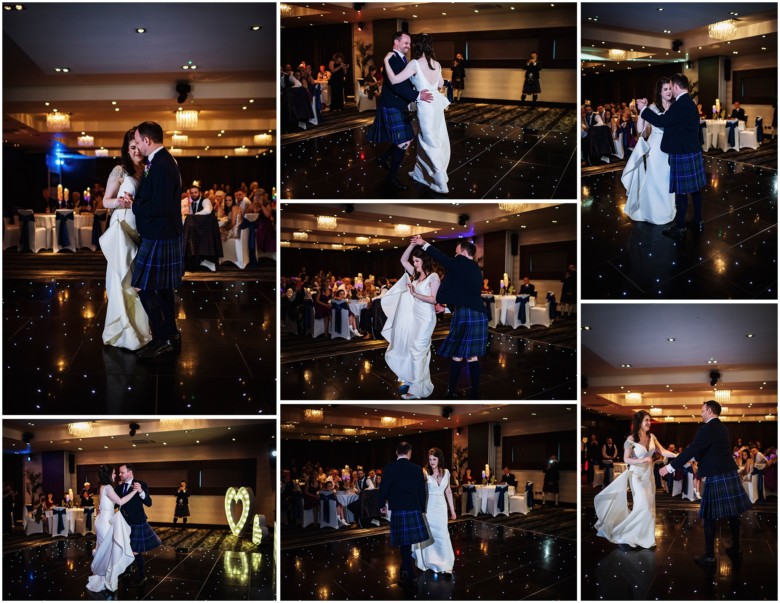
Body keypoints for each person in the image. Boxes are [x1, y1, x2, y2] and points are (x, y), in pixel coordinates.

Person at [659, 401, 752, 566]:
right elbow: (709, 451)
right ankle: (736, 548)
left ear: (709, 411)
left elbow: (691, 450)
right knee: (733, 513)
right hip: (729, 473)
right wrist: (698, 467)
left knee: (709, 516)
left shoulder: (706, 428)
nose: (701, 414)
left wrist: (670, 467)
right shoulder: (723, 428)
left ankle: (709, 557)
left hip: (716, 475)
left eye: (702, 411)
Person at [130, 121, 184, 361]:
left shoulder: (161, 164)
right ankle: (170, 335)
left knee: (142, 286)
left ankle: (163, 339)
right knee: (162, 289)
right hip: (162, 233)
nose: (138, 145)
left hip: (159, 234)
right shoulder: (162, 161)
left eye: (138, 140)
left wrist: (134, 204)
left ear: (147, 141)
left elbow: (160, 206)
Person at [411, 235, 487, 399]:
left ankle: (451, 391)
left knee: (457, 355)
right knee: (472, 356)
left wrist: (423, 244)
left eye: (457, 252)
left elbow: (442, 258)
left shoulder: (461, 263)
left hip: (465, 315)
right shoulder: (475, 268)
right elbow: (461, 291)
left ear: (465, 252)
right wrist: (446, 307)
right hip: (478, 314)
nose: (455, 256)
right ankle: (475, 393)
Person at [99, 128, 153, 351]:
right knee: (122, 278)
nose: (136, 151)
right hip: (122, 230)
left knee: (137, 281)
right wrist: (119, 202)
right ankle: (121, 329)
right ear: (126, 149)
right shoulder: (120, 170)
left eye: (138, 146)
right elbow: (105, 202)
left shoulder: (149, 170)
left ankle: (138, 327)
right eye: (131, 147)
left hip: (141, 231)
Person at [594, 410, 677, 550]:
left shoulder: (652, 437)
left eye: (650, 420)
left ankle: (645, 538)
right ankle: (627, 534)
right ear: (639, 422)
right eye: (646, 420)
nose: (649, 423)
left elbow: (662, 452)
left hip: (648, 476)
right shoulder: (631, 439)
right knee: (642, 505)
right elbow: (626, 459)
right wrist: (643, 459)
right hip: (636, 476)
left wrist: (679, 456)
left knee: (649, 507)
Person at [637, 73, 706, 240]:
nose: (670, 91)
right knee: (696, 189)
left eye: (670, 87)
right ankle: (697, 221)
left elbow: (661, 122)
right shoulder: (689, 102)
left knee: (681, 192)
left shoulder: (680, 104)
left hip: (682, 152)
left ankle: (680, 227)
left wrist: (643, 110)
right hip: (692, 150)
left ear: (675, 87)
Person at [382, 33, 451, 194]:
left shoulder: (415, 63)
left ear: (417, 46)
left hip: (426, 107)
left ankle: (441, 183)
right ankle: (420, 174)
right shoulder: (437, 64)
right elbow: (441, 83)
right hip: (436, 104)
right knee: (430, 138)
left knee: (429, 142)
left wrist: (386, 61)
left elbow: (394, 80)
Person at [369, 32, 434, 192]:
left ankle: (383, 158)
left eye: (409, 43)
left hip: (398, 105)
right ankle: (391, 178)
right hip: (391, 105)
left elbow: (405, 81)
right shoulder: (391, 58)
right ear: (396, 42)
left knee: (406, 139)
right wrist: (418, 95)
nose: (408, 45)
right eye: (405, 42)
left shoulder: (401, 59)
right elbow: (395, 85)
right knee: (404, 141)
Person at [382, 242, 441, 400]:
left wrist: (415, 294)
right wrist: (411, 245)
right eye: (414, 261)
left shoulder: (433, 277)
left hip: (426, 319)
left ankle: (416, 389)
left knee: (418, 352)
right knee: (413, 350)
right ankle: (415, 381)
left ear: (425, 261)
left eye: (417, 261)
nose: (414, 264)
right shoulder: (415, 275)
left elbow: (434, 299)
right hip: (413, 318)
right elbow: (403, 260)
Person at [623, 77, 676, 225]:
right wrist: (642, 111)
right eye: (665, 89)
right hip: (655, 148)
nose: (669, 92)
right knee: (654, 179)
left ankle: (666, 210)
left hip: (670, 147)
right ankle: (652, 210)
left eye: (670, 88)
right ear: (659, 91)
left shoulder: (675, 106)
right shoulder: (652, 108)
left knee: (666, 179)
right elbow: (640, 129)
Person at [377, 442, 429, 588]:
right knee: (408, 541)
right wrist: (422, 508)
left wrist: (381, 505)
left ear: (396, 452)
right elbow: (421, 491)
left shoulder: (388, 468)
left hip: (398, 509)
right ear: (409, 453)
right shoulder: (418, 469)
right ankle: (405, 569)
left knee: (404, 542)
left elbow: (383, 489)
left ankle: (409, 573)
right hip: (414, 508)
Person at [86, 464, 137, 593]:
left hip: (102, 521)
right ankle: (105, 578)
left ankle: (103, 577)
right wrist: (134, 492)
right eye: (114, 473)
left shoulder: (102, 486)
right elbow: (120, 501)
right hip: (105, 523)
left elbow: (102, 505)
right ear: (108, 474)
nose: (115, 475)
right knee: (106, 551)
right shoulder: (108, 487)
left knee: (104, 549)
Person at [115, 464, 161, 586]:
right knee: (126, 547)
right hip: (123, 522)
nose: (120, 475)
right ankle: (128, 569)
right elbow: (116, 503)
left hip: (137, 522)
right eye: (119, 473)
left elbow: (149, 503)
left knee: (135, 550)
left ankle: (142, 576)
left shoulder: (141, 484)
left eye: (122, 472)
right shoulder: (119, 487)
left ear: (129, 473)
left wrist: (140, 491)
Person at [412, 447, 456, 574]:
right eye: (430, 459)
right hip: (429, 507)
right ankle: (429, 560)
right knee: (430, 534)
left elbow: (448, 491)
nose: (432, 462)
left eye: (434, 459)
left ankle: (445, 562)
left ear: (439, 459)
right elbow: (419, 491)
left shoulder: (446, 472)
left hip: (441, 507)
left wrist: (452, 511)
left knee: (442, 534)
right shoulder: (425, 473)